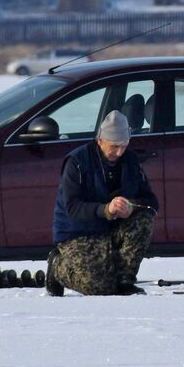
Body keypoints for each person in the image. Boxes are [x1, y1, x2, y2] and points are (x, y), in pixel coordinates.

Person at [46, 110, 158, 296]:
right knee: (99, 288)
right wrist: (105, 209)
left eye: (123, 146)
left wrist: (131, 205)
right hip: (78, 231)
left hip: (112, 228)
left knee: (143, 218)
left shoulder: (131, 161)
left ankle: (124, 281)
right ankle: (57, 267)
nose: (119, 152)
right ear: (100, 140)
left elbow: (151, 203)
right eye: (114, 146)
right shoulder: (77, 162)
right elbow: (72, 207)